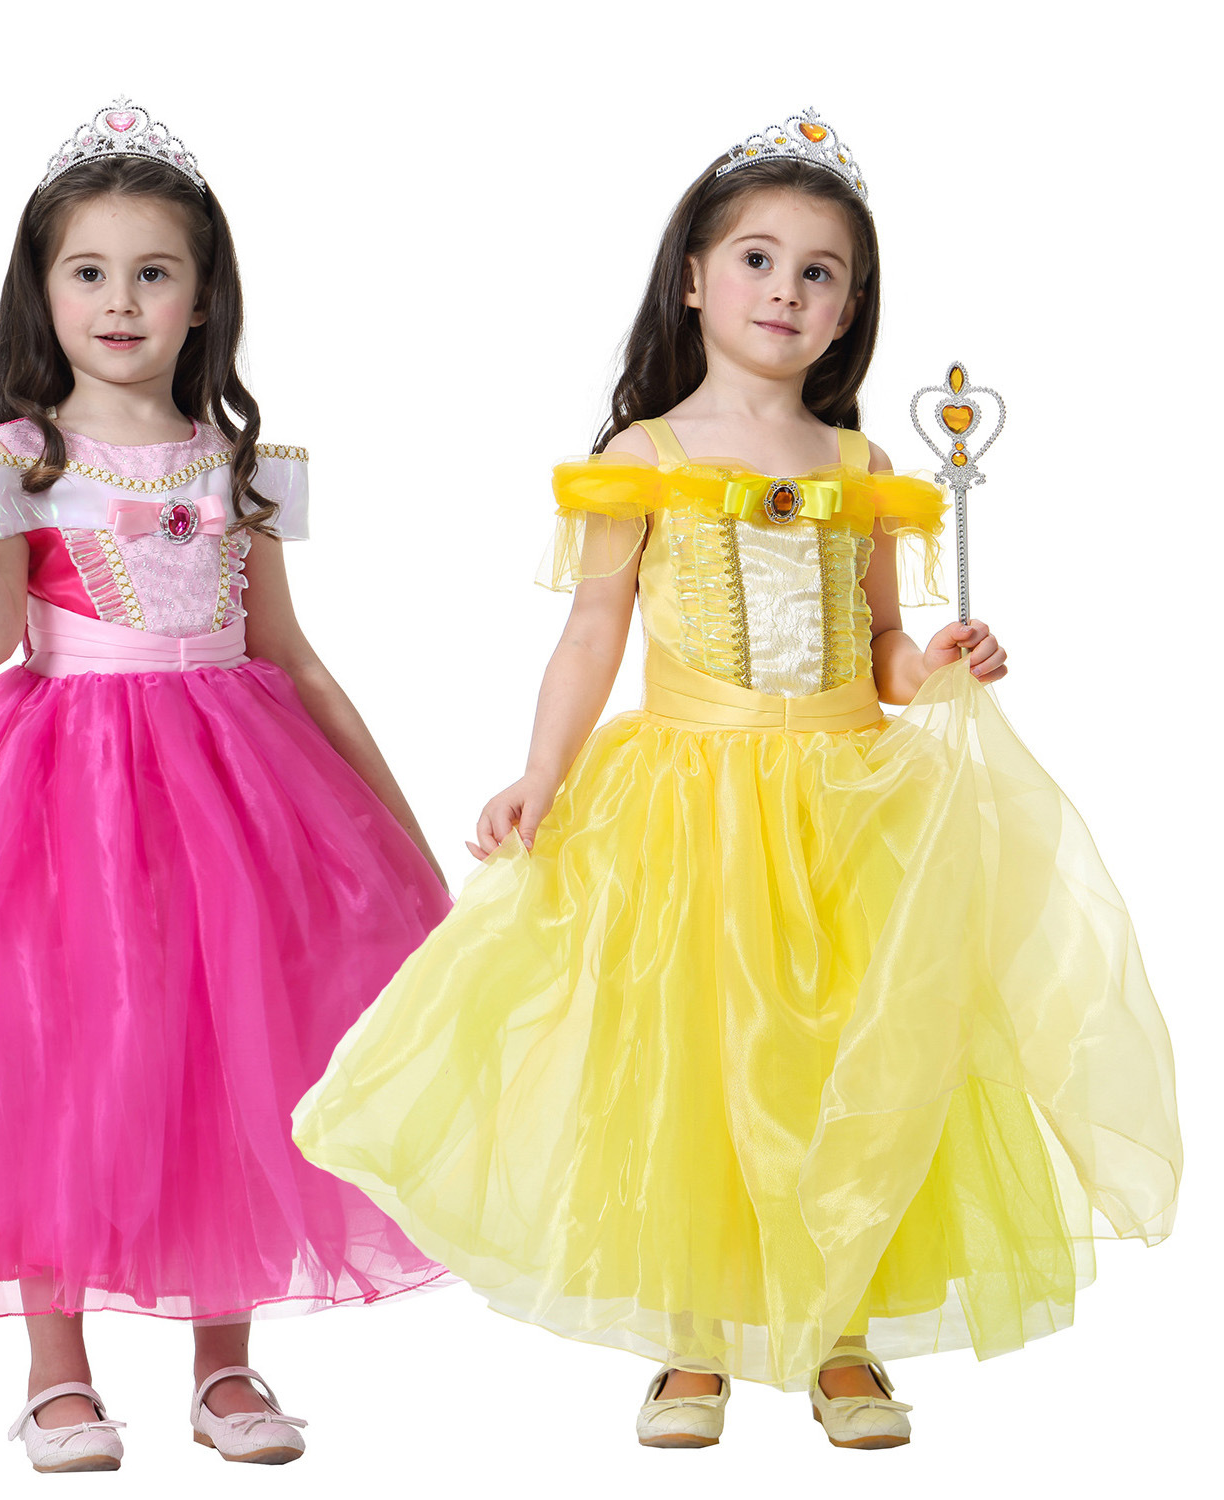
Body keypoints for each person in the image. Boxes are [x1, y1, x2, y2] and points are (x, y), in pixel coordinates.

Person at [292, 107, 1181, 1451]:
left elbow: (880, 646)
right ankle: (695, 1334)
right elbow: (592, 630)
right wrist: (542, 773)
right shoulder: (643, 457)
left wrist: (933, 661)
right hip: (689, 803)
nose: (786, 289)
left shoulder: (864, 468)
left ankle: (841, 1332)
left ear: (849, 310)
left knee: (852, 1053)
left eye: (820, 272)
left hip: (847, 803)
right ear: (695, 280)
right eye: (758, 259)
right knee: (696, 1060)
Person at [0, 97, 450, 1472]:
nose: (120, 301)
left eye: (153, 272)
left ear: (204, 297)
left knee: (232, 1054)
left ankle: (226, 1362)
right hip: (67, 800)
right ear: (44, 290)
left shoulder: (240, 461)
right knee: (60, 1061)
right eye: (89, 271)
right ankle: (56, 1374)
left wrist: (395, 830)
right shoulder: (20, 455)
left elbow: (290, 652)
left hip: (236, 798)